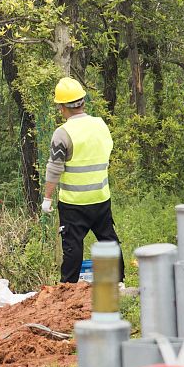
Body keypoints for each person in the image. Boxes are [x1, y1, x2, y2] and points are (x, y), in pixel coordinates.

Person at [41, 78, 124, 284]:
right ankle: (119, 282)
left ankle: (68, 288)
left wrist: (47, 198)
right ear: (83, 102)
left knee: (72, 246)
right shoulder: (100, 125)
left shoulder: (62, 133)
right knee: (108, 240)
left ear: (61, 108)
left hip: (73, 202)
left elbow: (54, 168)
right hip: (100, 196)